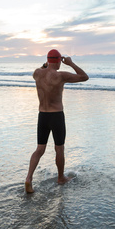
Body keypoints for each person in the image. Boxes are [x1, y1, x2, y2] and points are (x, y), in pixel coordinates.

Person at [25, 49, 89, 193]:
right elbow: (84, 77)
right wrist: (71, 63)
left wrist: (47, 64)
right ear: (59, 61)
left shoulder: (36, 73)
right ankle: (61, 178)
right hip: (56, 116)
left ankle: (29, 178)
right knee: (59, 148)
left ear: (47, 60)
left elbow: (43, 68)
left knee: (39, 149)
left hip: (42, 115)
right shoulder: (61, 76)